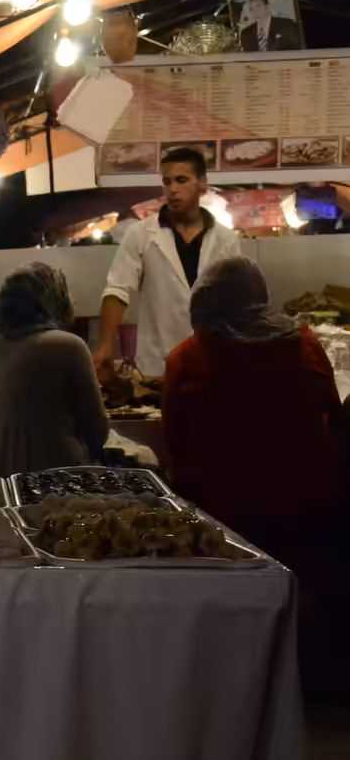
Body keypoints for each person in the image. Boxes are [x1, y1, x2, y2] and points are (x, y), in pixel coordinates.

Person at [162, 257, 347, 567]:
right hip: (303, 506)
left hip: (220, 514)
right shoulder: (303, 343)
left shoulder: (186, 359)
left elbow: (173, 442)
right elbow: (335, 414)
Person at [95, 147, 242, 377]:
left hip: (212, 363)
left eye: (181, 180)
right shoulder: (141, 234)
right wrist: (105, 345)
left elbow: (236, 302)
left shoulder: (225, 239)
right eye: (167, 182)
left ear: (202, 183)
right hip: (158, 365)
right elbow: (117, 289)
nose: (172, 190)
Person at [0, 263, 109, 477]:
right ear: (51, 301)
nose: (73, 299)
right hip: (50, 488)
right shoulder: (67, 345)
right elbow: (98, 435)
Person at [238, 0, 303, 53]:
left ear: (268, 6)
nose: (255, 10)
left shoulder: (286, 24)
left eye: (258, 6)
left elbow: (295, 48)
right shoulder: (246, 33)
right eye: (251, 9)